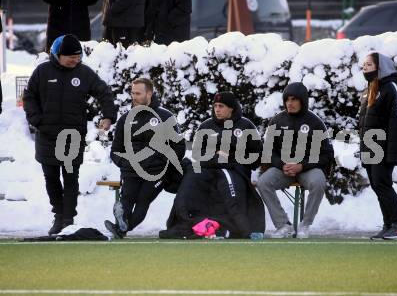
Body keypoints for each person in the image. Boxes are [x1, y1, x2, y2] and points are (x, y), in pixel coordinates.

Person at [23, 34, 117, 235]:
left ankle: (68, 219)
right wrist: (37, 120)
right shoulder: (42, 71)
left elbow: (104, 92)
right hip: (47, 135)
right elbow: (29, 96)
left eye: (78, 56)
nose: (75, 60)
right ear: (58, 55)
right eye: (70, 57)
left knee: (71, 177)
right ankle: (58, 215)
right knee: (51, 178)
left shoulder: (84, 73)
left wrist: (108, 116)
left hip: (73, 135)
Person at [160, 92, 265, 239]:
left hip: (234, 170)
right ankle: (187, 224)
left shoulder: (246, 126)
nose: (217, 109)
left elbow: (258, 155)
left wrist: (233, 155)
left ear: (231, 109)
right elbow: (197, 154)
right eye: (215, 106)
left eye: (221, 106)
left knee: (228, 189)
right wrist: (215, 155)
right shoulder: (206, 126)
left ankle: (237, 227)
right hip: (208, 168)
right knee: (189, 186)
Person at [105, 78, 186, 238]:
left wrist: (165, 166)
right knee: (127, 201)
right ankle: (121, 226)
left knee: (142, 202)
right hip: (131, 171)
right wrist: (125, 163)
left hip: (156, 172)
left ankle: (120, 228)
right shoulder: (125, 119)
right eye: (132, 93)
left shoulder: (165, 116)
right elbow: (115, 150)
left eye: (138, 93)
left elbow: (179, 147)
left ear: (149, 93)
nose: (134, 96)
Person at [256, 83, 334, 239]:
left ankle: (305, 224)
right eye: (287, 99)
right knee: (263, 182)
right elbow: (268, 151)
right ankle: (283, 225)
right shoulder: (277, 121)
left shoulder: (315, 123)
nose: (289, 103)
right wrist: (281, 164)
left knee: (318, 181)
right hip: (283, 169)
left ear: (303, 101)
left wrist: (302, 165)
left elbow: (327, 155)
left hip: (308, 169)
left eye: (294, 99)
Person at [359, 52, 397, 240]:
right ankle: (388, 224)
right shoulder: (370, 88)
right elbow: (365, 122)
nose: (365, 67)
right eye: (364, 64)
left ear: (381, 67)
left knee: (383, 184)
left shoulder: (392, 88)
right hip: (370, 147)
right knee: (377, 185)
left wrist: (392, 154)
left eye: (369, 64)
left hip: (382, 147)